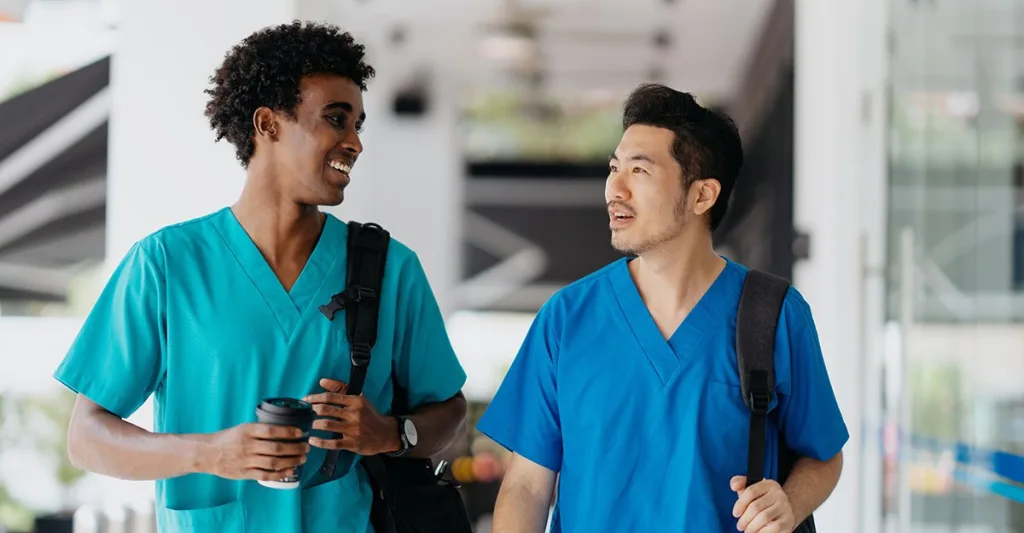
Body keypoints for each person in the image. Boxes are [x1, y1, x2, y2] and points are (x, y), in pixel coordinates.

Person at [53, 21, 467, 533]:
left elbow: (449, 411)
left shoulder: (391, 269)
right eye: (336, 120)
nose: (355, 142)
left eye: (359, 124)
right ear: (268, 124)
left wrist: (391, 432)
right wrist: (210, 453)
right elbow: (87, 437)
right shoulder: (166, 264)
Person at [476, 84, 847, 532]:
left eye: (639, 170)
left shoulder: (773, 315)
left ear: (702, 195)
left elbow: (824, 454)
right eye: (615, 168)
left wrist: (788, 503)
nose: (615, 188)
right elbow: (527, 488)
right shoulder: (566, 319)